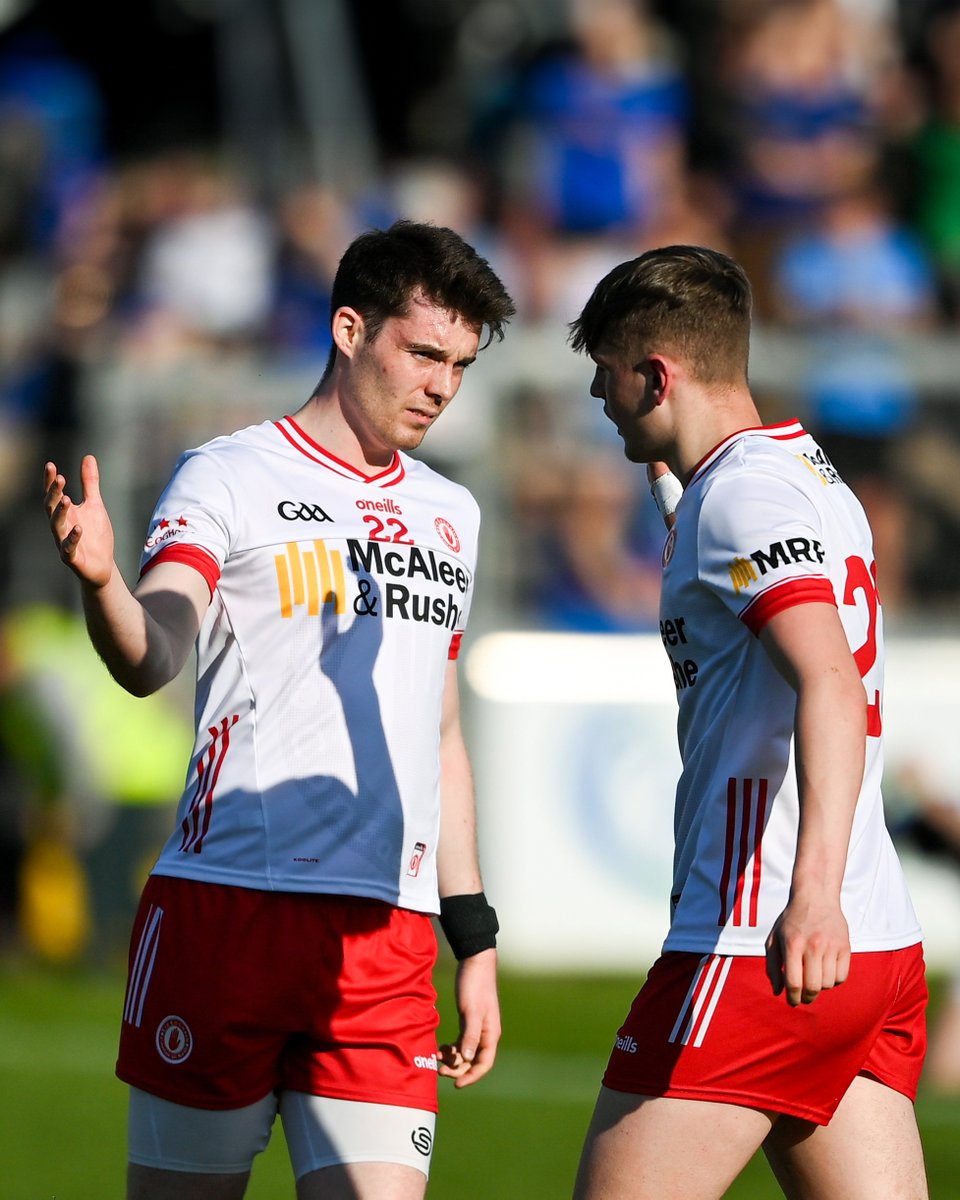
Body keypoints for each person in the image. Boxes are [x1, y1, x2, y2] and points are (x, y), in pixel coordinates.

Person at [42, 219, 515, 1200]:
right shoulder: (230, 476)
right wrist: (101, 585)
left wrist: (471, 938)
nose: (441, 385)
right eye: (423, 353)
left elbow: (439, 731)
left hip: (385, 934)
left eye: (461, 366)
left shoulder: (449, 512)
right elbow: (155, 651)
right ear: (349, 328)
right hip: (228, 910)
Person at [567, 244, 928, 1199]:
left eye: (605, 375)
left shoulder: (742, 499)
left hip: (764, 939)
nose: (600, 401)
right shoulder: (803, 474)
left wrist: (810, 897)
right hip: (876, 948)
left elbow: (831, 681)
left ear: (656, 374)